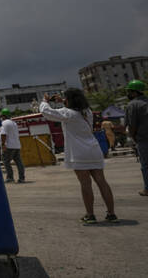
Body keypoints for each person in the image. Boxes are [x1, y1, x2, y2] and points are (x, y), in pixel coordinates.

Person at [41, 89, 118, 224]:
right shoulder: (87, 112)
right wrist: (63, 101)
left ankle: (90, 214)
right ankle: (111, 214)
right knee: (102, 181)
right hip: (94, 150)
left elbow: (47, 112)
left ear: (69, 100)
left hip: (79, 153)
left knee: (85, 183)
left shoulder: (68, 113)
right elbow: (74, 107)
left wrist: (45, 101)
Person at [124, 79, 148, 196]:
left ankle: (147, 189)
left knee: (146, 165)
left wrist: (133, 137)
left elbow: (132, 125)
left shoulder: (132, 105)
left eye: (129, 91)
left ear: (134, 92)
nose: (128, 94)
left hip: (143, 139)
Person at [0, 108, 25, 183]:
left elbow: (3, 134)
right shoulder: (14, 123)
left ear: (3, 116)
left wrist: (3, 144)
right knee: (19, 162)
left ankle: (10, 177)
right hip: (16, 145)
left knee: (6, 162)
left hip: (8, 146)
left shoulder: (4, 123)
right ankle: (21, 178)